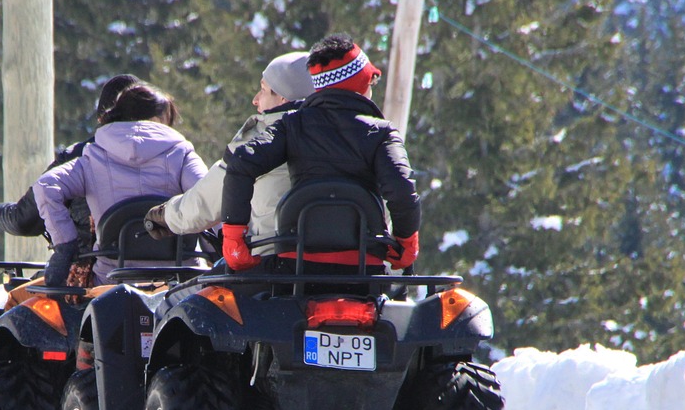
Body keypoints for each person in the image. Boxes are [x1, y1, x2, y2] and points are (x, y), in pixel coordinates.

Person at [219, 33, 421, 273]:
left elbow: (242, 162)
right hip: (363, 267)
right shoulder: (382, 133)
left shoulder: (292, 125)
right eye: (371, 82)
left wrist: (234, 238)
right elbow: (401, 191)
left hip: (296, 264)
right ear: (360, 84)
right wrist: (406, 244)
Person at [33, 83, 207, 286]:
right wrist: (217, 248)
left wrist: (65, 245)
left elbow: (46, 186)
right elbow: (209, 197)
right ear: (157, 120)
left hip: (112, 280)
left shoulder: (93, 155)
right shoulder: (182, 153)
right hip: (181, 279)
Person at [143, 51, 314, 258]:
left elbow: (203, 204)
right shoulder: (346, 135)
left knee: (185, 291)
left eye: (262, 90)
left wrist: (164, 216)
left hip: (275, 265)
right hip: (349, 268)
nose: (255, 100)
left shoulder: (259, 142)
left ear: (283, 97)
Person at [0, 73, 141, 250]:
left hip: (95, 269)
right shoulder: (172, 153)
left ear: (102, 117)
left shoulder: (80, 155)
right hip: (164, 270)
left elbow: (25, 219)